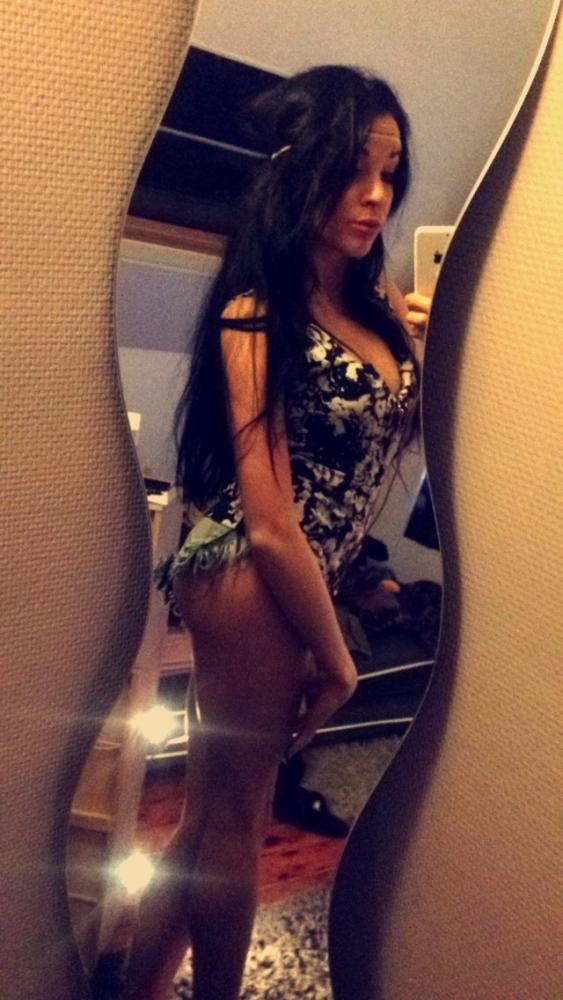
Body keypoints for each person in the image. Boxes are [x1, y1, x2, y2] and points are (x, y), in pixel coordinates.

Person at [122, 64, 430, 1000]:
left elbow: (403, 444)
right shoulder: (258, 311)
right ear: (300, 170)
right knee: (235, 822)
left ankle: (136, 989)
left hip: (303, 570)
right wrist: (336, 657)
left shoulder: (377, 308)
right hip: (249, 572)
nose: (375, 196)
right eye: (353, 169)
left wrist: (432, 348)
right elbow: (267, 521)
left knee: (206, 822)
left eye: (389, 173)